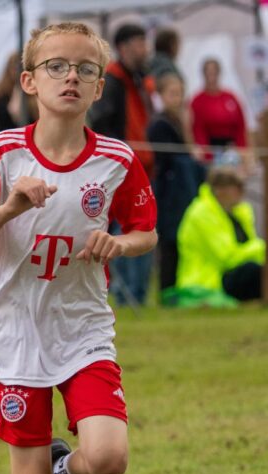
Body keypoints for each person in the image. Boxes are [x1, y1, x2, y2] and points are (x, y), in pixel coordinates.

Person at [0, 23, 157, 474]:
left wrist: (119, 243)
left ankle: (70, 472)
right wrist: (10, 209)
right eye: (56, 67)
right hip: (17, 333)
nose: (71, 77)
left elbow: (146, 230)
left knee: (109, 459)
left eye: (86, 69)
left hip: (84, 326)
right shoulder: (2, 154)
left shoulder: (116, 159)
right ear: (29, 82)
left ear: (98, 89)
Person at [89, 23, 154, 307]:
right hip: (118, 168)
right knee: (120, 230)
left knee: (141, 227)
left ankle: (137, 293)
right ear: (125, 47)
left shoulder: (140, 78)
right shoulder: (113, 81)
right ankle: (125, 293)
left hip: (141, 165)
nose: (144, 49)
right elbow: (102, 124)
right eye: (139, 42)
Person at [146, 73, 203, 303]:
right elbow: (172, 158)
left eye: (180, 93)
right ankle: (166, 291)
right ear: (161, 96)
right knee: (168, 242)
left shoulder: (180, 121)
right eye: (172, 93)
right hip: (169, 193)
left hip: (181, 190)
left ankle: (176, 289)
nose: (177, 98)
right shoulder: (160, 124)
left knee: (179, 241)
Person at [176, 167, 264, 306]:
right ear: (220, 190)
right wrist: (261, 247)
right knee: (253, 270)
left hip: (235, 273)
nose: (242, 192)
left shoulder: (240, 212)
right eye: (237, 187)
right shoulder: (201, 213)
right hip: (209, 280)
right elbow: (226, 257)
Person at [190, 58, 248, 162]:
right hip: (209, 149)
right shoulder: (197, 101)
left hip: (231, 149)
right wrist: (206, 155)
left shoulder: (230, 97)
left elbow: (240, 125)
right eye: (208, 73)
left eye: (214, 73)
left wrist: (242, 149)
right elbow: (197, 129)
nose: (211, 77)